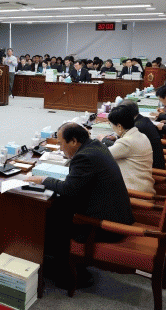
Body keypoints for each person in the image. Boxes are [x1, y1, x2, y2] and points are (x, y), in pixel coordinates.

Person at [27, 123, 134, 288]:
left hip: (106, 226)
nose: (60, 148)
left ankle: (69, 275)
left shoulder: (84, 157)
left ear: (74, 141)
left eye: (61, 143)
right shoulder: (95, 146)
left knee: (54, 221)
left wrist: (43, 179)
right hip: (114, 213)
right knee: (56, 211)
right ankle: (60, 264)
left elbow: (69, 189)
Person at [106, 106, 155, 194]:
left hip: (134, 194)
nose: (111, 127)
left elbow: (101, 155)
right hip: (144, 187)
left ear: (119, 126)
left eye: (111, 125)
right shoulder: (141, 135)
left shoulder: (126, 142)